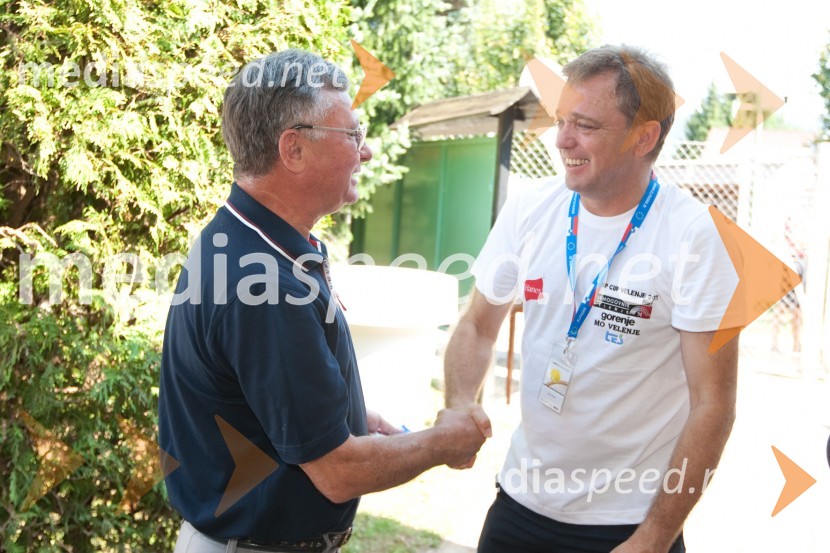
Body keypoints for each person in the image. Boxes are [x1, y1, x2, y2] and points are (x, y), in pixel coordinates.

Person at [158, 49, 490, 553]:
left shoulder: (252, 241)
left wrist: (351, 416)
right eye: (353, 135)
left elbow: (263, 398)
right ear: (292, 150)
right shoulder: (266, 283)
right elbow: (337, 472)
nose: (367, 152)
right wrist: (444, 442)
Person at [444, 45, 740, 553]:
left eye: (585, 125)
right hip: (519, 507)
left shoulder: (695, 234)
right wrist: (455, 405)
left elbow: (714, 404)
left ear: (644, 135)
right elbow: (476, 325)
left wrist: (653, 537)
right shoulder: (530, 209)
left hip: (628, 524)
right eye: (561, 121)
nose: (562, 139)